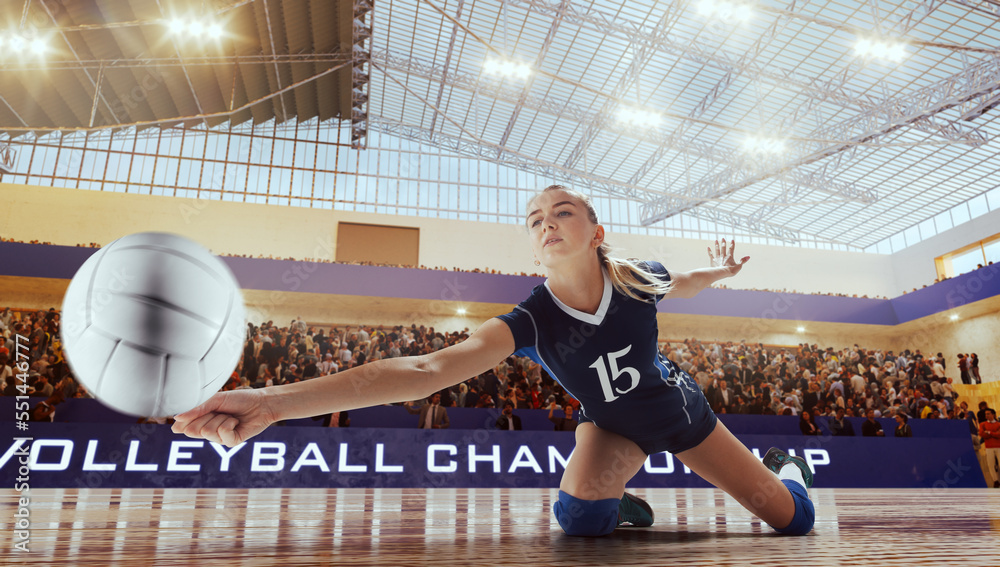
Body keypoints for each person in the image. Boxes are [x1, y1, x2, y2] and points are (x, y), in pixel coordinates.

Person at [172, 185, 815, 537]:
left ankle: (784, 471)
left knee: (793, 524)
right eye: (535, 219)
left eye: (563, 212)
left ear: (594, 232)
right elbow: (427, 372)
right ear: (534, 245)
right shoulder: (532, 319)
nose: (546, 223)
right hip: (614, 428)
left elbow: (688, 281)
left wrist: (722, 270)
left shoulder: (639, 277)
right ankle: (618, 498)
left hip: (681, 417)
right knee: (581, 524)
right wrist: (273, 404)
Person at [979, 409, 1000, 488]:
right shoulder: (982, 424)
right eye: (985, 414)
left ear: (993, 414)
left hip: (999, 446)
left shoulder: (998, 424)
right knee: (990, 464)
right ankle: (995, 481)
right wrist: (995, 433)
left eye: (988, 414)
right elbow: (982, 434)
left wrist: (989, 432)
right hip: (989, 447)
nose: (986, 415)